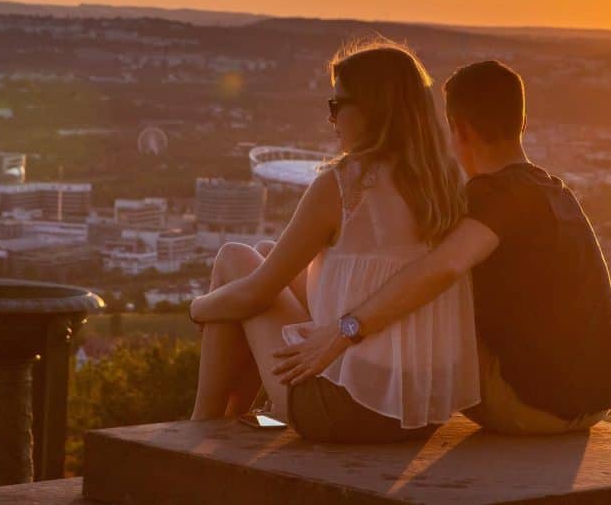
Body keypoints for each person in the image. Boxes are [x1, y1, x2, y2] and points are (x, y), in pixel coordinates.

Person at [274, 59, 611, 434]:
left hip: (530, 406)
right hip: (594, 402)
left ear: (458, 129)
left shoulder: (496, 194)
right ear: (522, 123)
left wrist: (345, 330)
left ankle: (317, 399)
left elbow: (445, 267)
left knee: (422, 299)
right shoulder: (551, 188)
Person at [189, 41, 478, 442]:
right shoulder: (448, 180)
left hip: (346, 408)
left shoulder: (344, 185)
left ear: (372, 109)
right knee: (266, 254)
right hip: (420, 407)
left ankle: (200, 423)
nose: (331, 117)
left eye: (337, 104)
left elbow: (255, 294)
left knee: (234, 259)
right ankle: (242, 416)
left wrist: (197, 308)